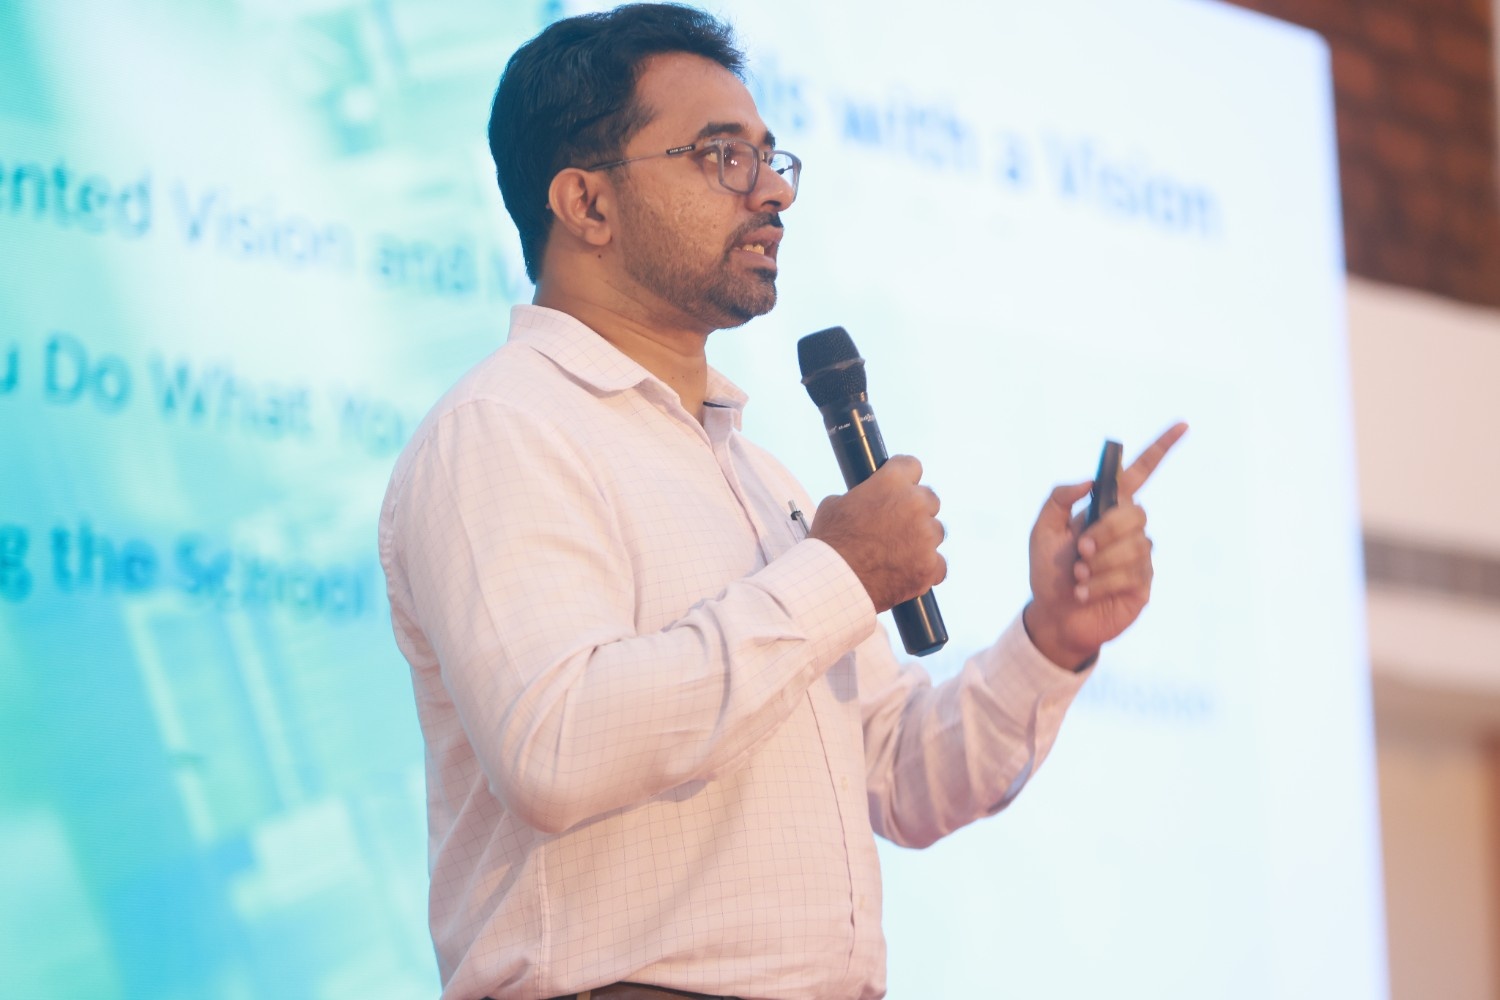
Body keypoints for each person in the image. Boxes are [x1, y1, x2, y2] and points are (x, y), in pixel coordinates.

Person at [378, 5, 1185, 999]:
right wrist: (837, 573)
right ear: (586, 204)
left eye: (770, 158)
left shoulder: (766, 484)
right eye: (722, 156)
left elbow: (902, 774)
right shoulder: (504, 425)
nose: (772, 192)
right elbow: (557, 745)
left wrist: (1053, 638)